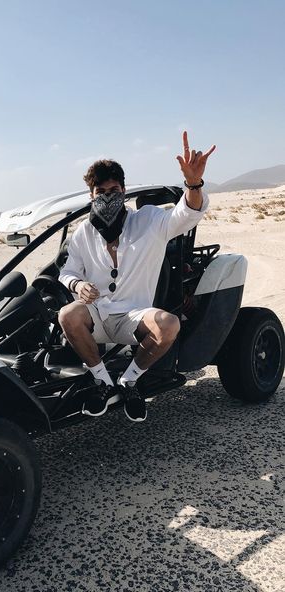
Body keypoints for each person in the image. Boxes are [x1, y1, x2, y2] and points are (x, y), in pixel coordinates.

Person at [58, 131, 216, 421]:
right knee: (68, 314)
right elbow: (67, 272)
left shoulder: (149, 220)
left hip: (134, 315)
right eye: (101, 193)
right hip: (98, 315)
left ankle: (129, 381)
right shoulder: (84, 232)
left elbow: (187, 214)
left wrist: (193, 183)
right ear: (91, 196)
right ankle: (103, 381)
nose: (109, 198)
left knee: (168, 324)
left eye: (115, 191)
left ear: (124, 190)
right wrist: (78, 285)